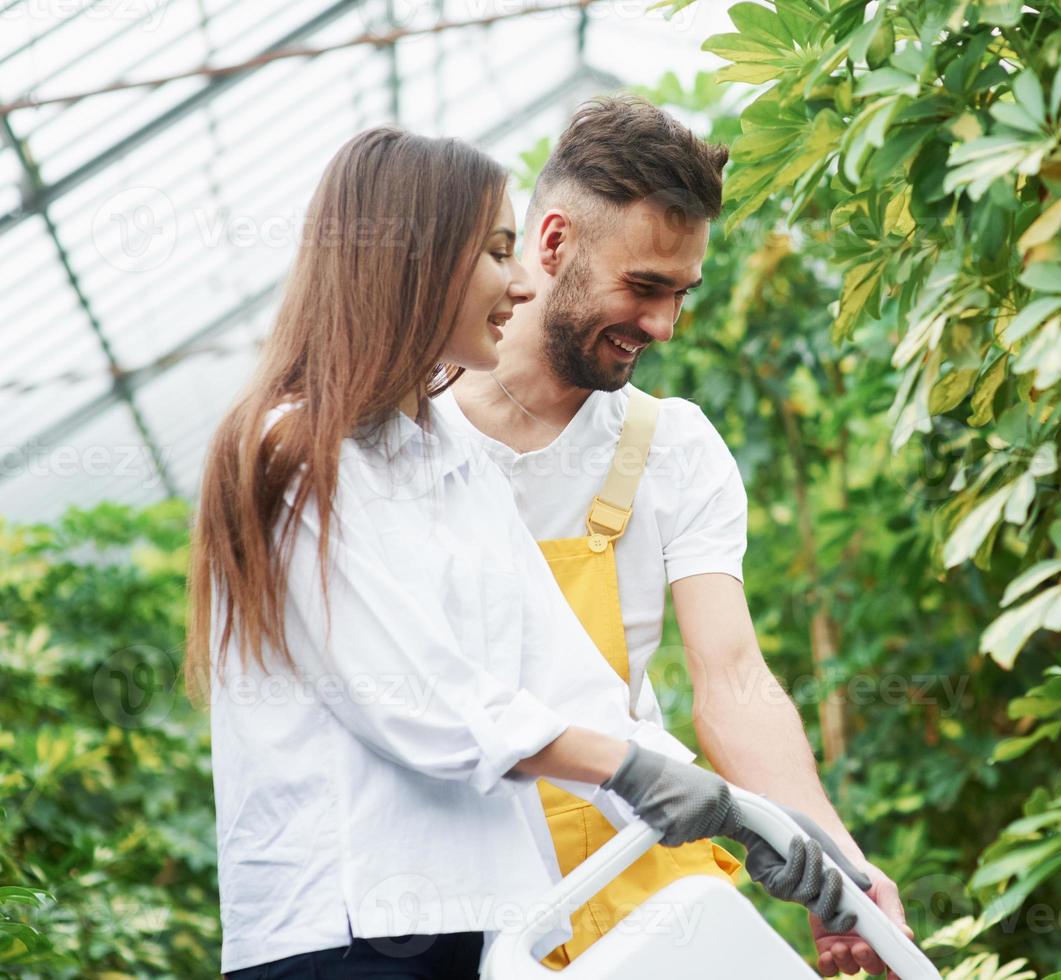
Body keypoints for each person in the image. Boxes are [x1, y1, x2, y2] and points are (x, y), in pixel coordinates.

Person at [183, 127, 847, 980]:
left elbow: (564, 674)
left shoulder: (442, 459)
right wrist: (631, 770)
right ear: (412, 264)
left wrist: (760, 822)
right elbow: (418, 700)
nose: (522, 281)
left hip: (485, 925)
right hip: (342, 927)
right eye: (500, 252)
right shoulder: (294, 451)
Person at [438, 95, 909, 977]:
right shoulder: (414, 442)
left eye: (681, 293)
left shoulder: (669, 447)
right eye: (644, 287)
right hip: (472, 888)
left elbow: (731, 679)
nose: (663, 325)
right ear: (550, 244)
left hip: (641, 868)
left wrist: (832, 861)